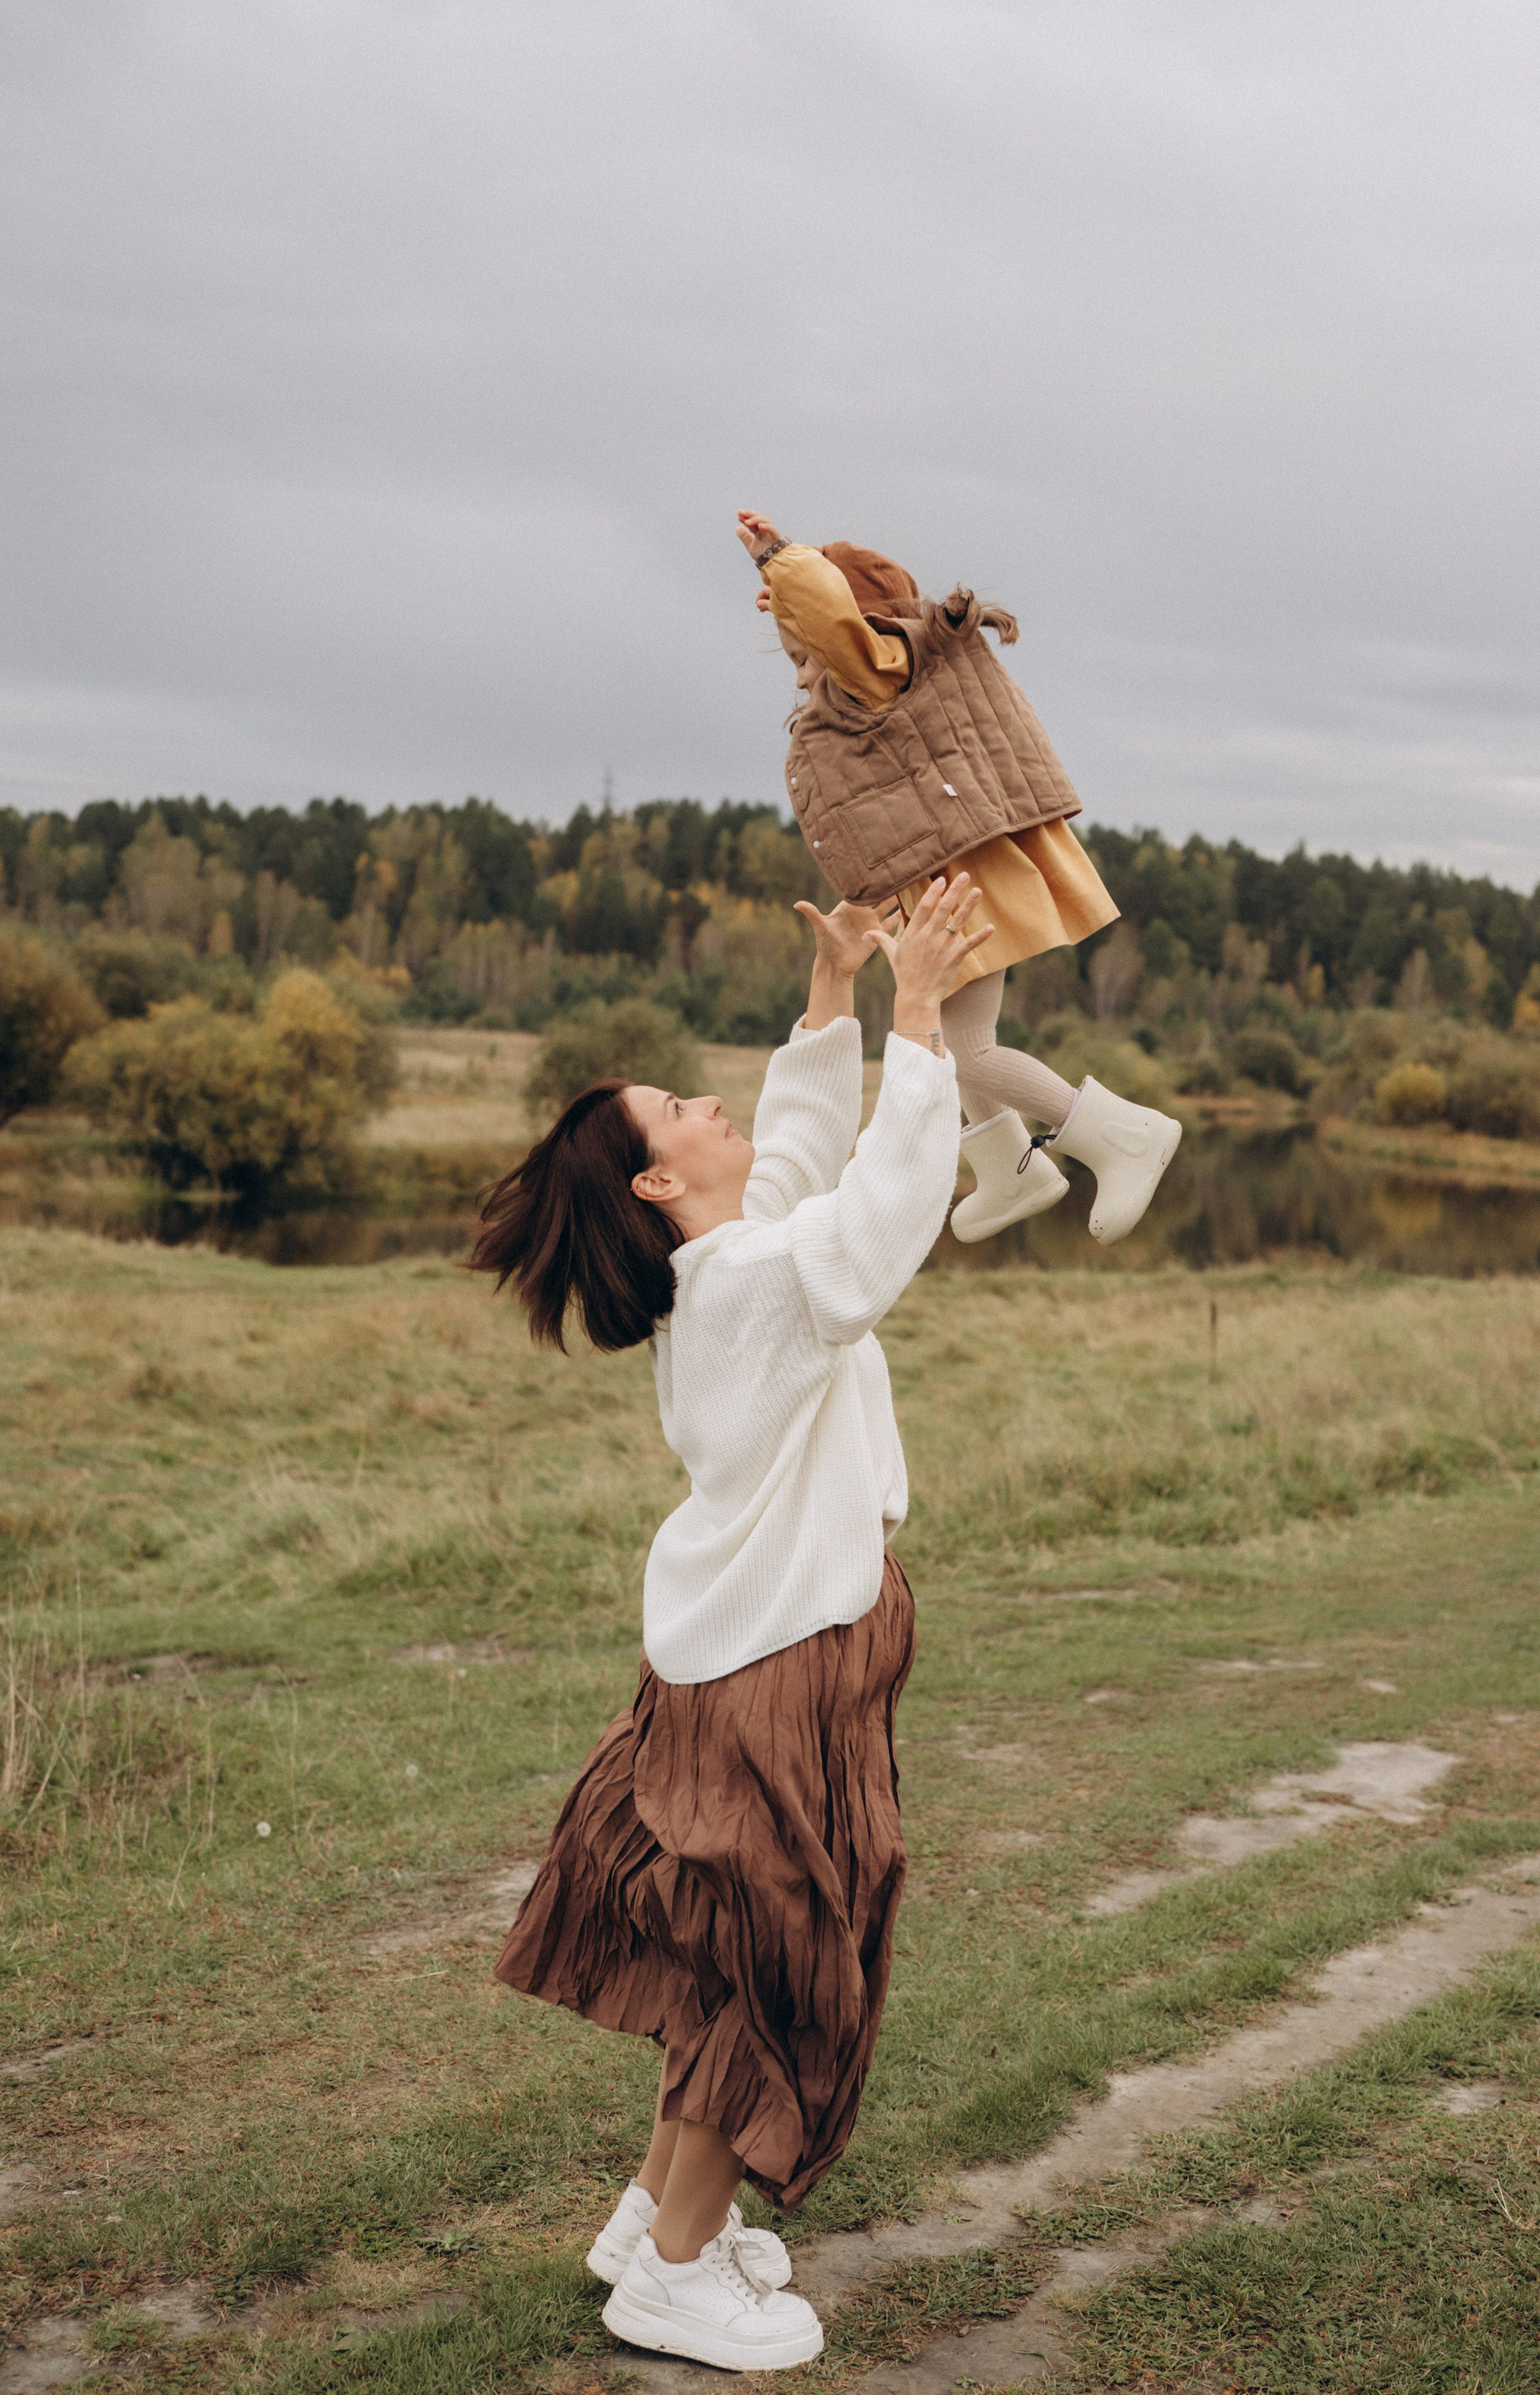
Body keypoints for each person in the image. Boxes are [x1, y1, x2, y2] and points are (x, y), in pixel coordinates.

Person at [471, 874, 990, 2373]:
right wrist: (919, 1021)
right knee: (767, 1966)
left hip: (749, 1660)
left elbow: (802, 1177)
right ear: (654, 1184)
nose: (708, 1102)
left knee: (727, 1959)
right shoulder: (759, 1283)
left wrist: (832, 1005)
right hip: (779, 1673)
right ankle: (675, 2279)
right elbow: (874, 1224)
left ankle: (653, 2219)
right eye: (677, 1109)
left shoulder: (727, 1270)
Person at [737, 508, 1182, 1248]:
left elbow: (835, 624)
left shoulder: (878, 666)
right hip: (949, 871)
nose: (803, 671)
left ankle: (1123, 1136)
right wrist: (791, 592)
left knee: (963, 1046)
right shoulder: (883, 678)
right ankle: (1009, 1169)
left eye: (802, 651)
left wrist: (778, 560)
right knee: (947, 1030)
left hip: (965, 873)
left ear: (849, 625)